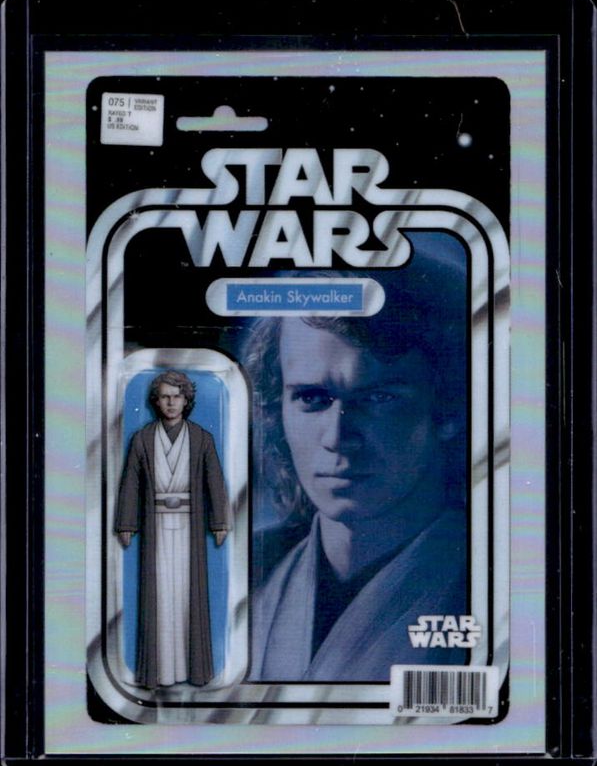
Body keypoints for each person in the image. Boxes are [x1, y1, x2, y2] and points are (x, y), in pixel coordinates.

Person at [244, 279, 468, 682]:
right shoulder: (244, 575)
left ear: (448, 409)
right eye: (311, 398)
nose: (337, 437)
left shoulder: (495, 579)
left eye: (378, 398)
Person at [115, 370, 230, 689]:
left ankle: (194, 670)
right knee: (159, 597)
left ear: (186, 400)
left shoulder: (202, 438)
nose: (171, 402)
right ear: (156, 401)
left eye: (177, 396)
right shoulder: (142, 439)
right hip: (156, 528)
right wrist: (127, 522)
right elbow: (131, 483)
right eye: (165, 396)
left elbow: (215, 482)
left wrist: (219, 521)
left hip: (190, 527)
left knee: (188, 596)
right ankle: (158, 672)